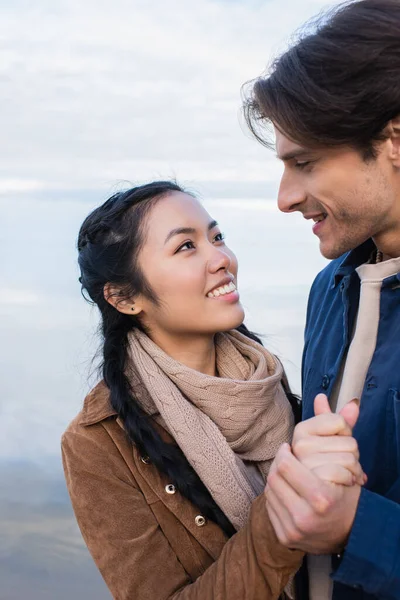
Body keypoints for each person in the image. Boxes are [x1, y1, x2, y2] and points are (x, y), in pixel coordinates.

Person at [62, 181, 363, 600]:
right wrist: (282, 512)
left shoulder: (260, 378)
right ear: (124, 297)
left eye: (217, 237)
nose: (222, 258)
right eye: (186, 247)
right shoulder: (98, 442)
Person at [243, 0, 400, 598]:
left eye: (303, 163)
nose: (285, 198)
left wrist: (359, 528)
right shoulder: (331, 287)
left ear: (393, 138)